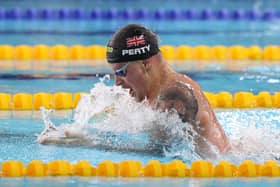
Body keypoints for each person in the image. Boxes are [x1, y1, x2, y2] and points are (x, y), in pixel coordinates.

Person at [40, 24, 231, 157]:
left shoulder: (173, 97)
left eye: (122, 72)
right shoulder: (157, 92)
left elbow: (166, 153)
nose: (117, 84)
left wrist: (89, 143)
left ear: (146, 63)